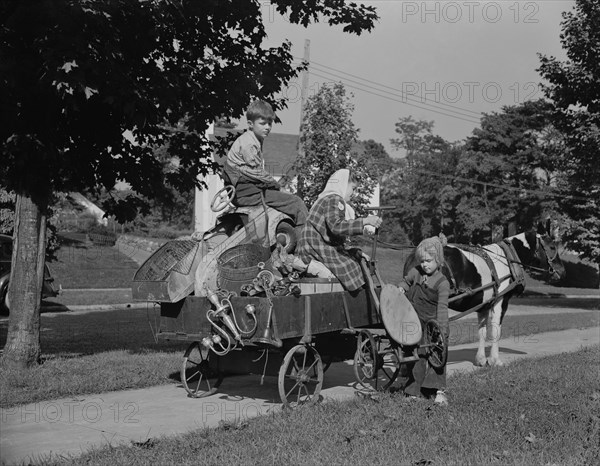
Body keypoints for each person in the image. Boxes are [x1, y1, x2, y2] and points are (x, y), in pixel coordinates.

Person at [223, 100, 308, 230]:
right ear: (250, 124)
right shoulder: (249, 144)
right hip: (246, 195)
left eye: (270, 123)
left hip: (244, 192)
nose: (267, 127)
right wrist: (278, 187)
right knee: (296, 203)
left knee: (283, 199)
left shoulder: (251, 139)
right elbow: (258, 173)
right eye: (262, 123)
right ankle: (305, 241)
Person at [296, 169, 382, 292]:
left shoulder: (323, 199)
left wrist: (355, 252)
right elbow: (337, 227)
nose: (354, 193)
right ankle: (358, 300)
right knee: (353, 267)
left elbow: (333, 238)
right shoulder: (335, 199)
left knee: (354, 258)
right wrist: (365, 221)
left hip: (313, 248)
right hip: (315, 249)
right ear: (342, 184)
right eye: (353, 188)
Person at [398, 236, 450, 405]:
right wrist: (402, 287)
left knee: (437, 355)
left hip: (434, 324)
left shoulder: (442, 283)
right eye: (422, 261)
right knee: (417, 354)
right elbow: (406, 281)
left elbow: (442, 308)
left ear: (438, 260)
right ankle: (414, 389)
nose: (424, 265)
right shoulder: (416, 272)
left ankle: (438, 390)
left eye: (428, 261)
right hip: (416, 321)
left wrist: (441, 330)